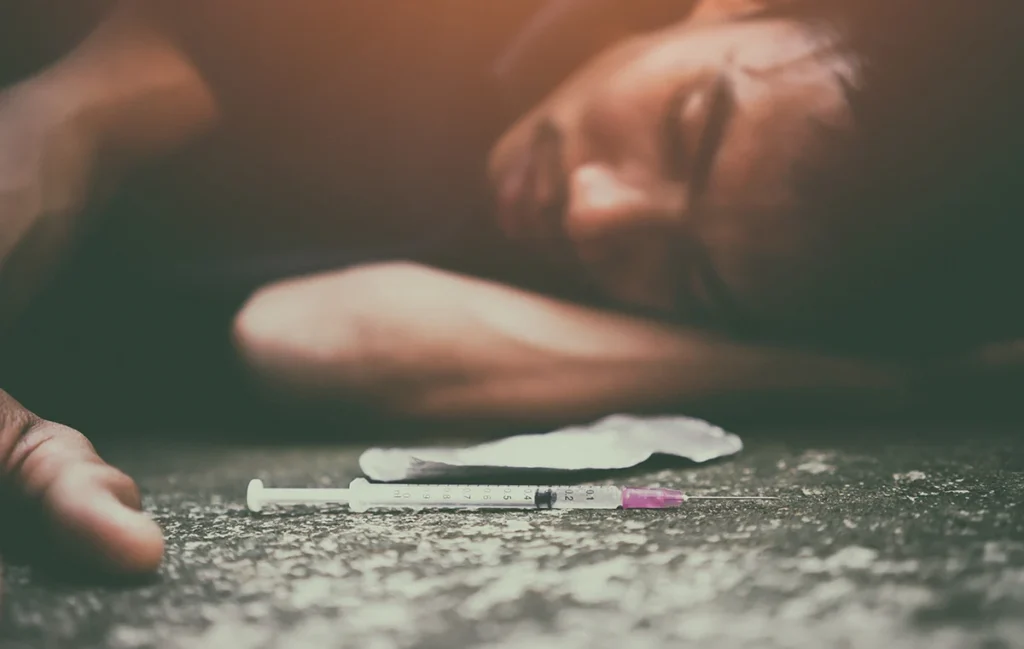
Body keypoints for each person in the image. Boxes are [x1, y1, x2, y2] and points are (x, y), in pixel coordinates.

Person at [1, 0, 1022, 580]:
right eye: (687, 126)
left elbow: (309, 338)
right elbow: (120, 82)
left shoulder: (592, 317)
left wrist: (881, 375)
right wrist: (70, 113)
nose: (592, 211)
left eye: (690, 274)